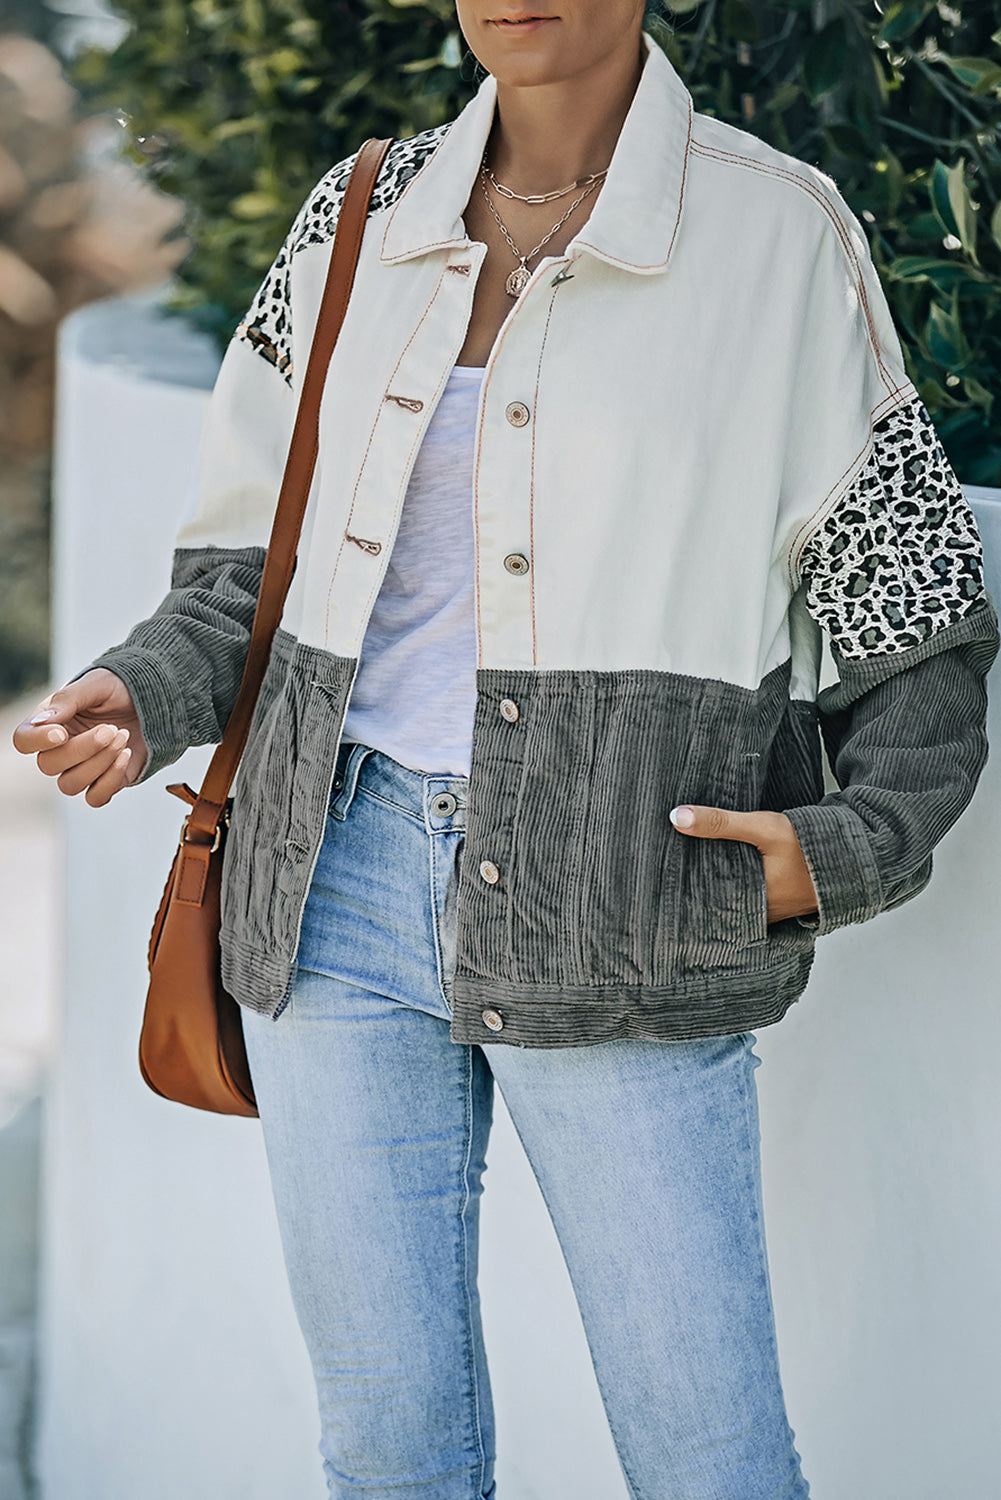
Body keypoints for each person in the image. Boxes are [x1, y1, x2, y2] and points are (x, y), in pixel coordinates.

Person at [14, 2, 998, 1496]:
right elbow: (245, 567)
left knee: (705, 1456)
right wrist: (142, 690)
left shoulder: (776, 235)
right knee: (388, 1447)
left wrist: (845, 852)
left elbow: (912, 602)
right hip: (329, 886)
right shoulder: (357, 215)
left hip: (629, 907)